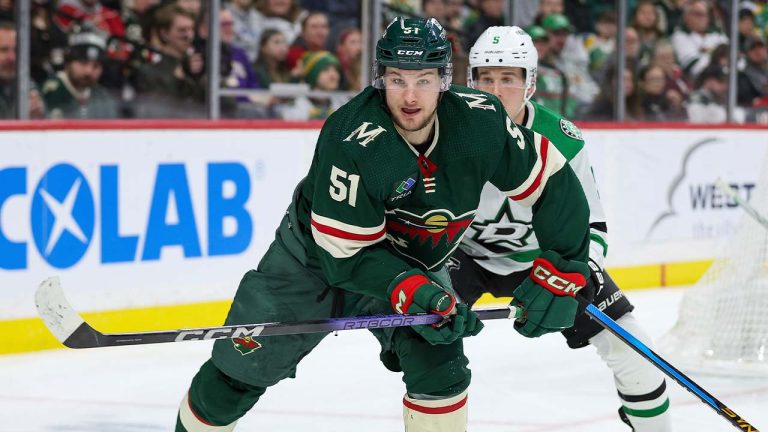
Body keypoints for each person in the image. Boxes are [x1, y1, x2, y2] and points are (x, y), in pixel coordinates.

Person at [176, 16, 592, 432]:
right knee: (234, 379)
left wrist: (565, 268)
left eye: (424, 80)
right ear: (380, 78)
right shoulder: (351, 137)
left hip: (412, 265)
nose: (410, 97)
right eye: (397, 80)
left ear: (445, 79)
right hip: (311, 264)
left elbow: (552, 182)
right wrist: (414, 289)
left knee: (441, 370)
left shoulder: (479, 121)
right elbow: (345, 257)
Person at [459, 26, 672, 431]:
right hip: (465, 259)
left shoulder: (561, 139)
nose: (494, 89)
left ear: (530, 84)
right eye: (485, 78)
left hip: (546, 261)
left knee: (634, 352)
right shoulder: (445, 134)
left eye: (508, 78)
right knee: (430, 348)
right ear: (470, 81)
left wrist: (575, 274)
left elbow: (593, 225)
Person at [41, 32, 119, 119]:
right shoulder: (46, 93)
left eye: (95, 66)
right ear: (68, 63)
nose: (88, 71)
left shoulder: (103, 97)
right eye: (83, 63)